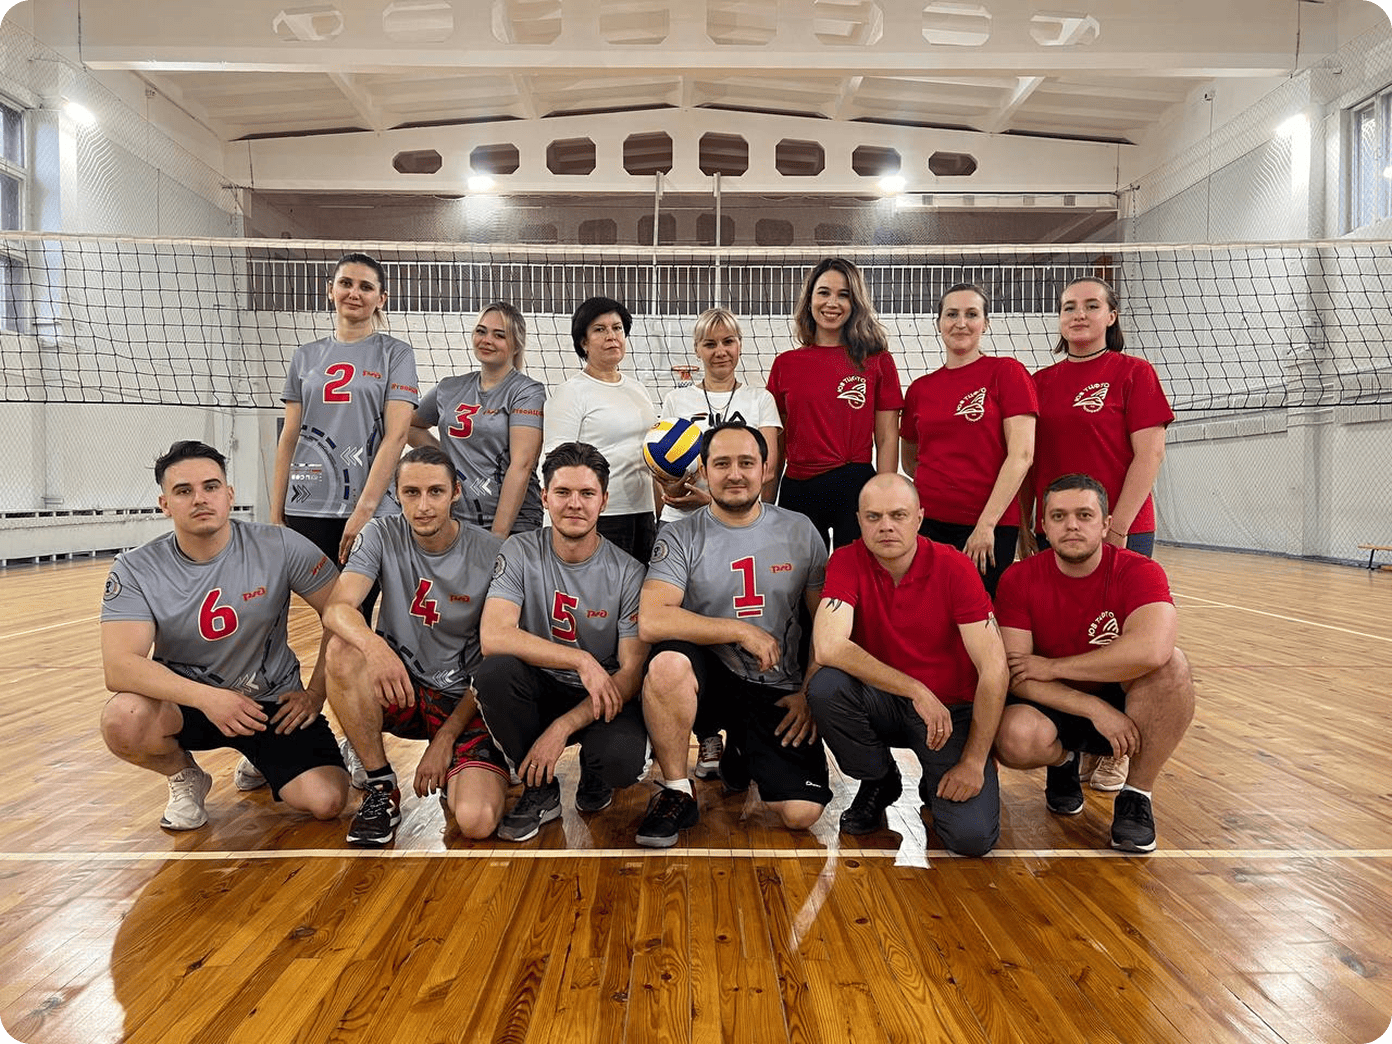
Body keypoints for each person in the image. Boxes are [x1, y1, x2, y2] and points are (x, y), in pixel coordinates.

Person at [100, 440, 349, 831]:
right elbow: (119, 666)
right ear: (165, 504)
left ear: (229, 494)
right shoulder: (136, 568)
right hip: (189, 704)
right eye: (184, 491)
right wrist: (209, 698)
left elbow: (343, 616)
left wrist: (316, 693)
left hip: (272, 704)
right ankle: (184, 775)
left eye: (211, 486)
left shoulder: (280, 545)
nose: (200, 498)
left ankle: (261, 759)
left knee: (328, 801)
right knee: (123, 718)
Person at [636, 421, 830, 848]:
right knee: (667, 664)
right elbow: (650, 620)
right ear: (704, 470)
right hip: (714, 678)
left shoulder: (800, 530)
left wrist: (810, 693)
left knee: (801, 814)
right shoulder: (680, 535)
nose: (735, 474)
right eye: (722, 464)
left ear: (765, 469)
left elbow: (825, 625)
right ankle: (675, 790)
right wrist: (738, 630)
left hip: (776, 684)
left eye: (746, 462)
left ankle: (742, 749)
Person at [1024, 276, 1174, 791]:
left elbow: (1150, 453)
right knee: (1059, 640)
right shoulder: (1040, 382)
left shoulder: (1134, 373)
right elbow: (1028, 462)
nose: (1079, 314)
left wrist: (1118, 528)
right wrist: (1026, 522)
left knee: (1120, 642)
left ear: (1111, 316)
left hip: (1120, 531)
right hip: (1055, 529)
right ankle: (1078, 743)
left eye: (1092, 305)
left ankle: (1119, 750)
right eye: (1069, 307)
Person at [993, 473, 1195, 853]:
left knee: (1173, 667)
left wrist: (1054, 667)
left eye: (1084, 515)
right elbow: (1018, 674)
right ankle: (1064, 761)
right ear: (1044, 526)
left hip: (1122, 701)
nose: (1072, 525)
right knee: (1014, 736)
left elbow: (1153, 650)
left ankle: (1137, 795)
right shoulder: (1019, 579)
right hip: (1054, 702)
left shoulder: (1139, 571)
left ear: (1105, 525)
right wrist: (1093, 707)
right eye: (1059, 516)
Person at [808, 474, 1008, 857]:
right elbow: (828, 647)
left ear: (919, 518)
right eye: (874, 517)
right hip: (884, 702)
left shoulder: (955, 567)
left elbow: (995, 669)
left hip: (948, 713)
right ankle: (879, 779)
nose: (886, 526)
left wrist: (973, 760)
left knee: (970, 839)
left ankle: (938, 777)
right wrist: (915, 689)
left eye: (898, 515)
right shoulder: (847, 560)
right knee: (827, 687)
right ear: (859, 520)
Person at [321, 446, 505, 846]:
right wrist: (375, 648)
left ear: (456, 492)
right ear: (396, 494)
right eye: (411, 492)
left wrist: (444, 741)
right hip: (401, 687)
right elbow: (337, 609)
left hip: (464, 699)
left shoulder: (492, 553)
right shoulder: (380, 534)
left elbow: (497, 662)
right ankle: (380, 785)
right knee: (342, 651)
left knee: (476, 821)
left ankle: (468, 769)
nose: (423, 506)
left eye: (435, 492)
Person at [474, 442, 650, 842]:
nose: (574, 504)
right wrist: (580, 660)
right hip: (542, 685)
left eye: (587, 493)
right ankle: (540, 789)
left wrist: (564, 725)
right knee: (494, 672)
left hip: (601, 695)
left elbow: (630, 673)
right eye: (563, 492)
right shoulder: (519, 550)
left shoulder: (628, 573)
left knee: (622, 761)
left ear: (604, 501)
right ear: (544, 497)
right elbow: (494, 636)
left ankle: (596, 770)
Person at [654, 306, 783, 781]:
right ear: (697, 350)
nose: (720, 351)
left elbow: (767, 471)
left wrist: (711, 498)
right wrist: (672, 490)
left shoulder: (759, 399)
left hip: (740, 529)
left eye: (728, 341)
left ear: (740, 346)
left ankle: (744, 731)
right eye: (710, 343)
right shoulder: (677, 398)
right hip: (683, 527)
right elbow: (663, 472)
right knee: (688, 630)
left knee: (743, 625)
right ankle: (706, 732)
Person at [270, 252, 419, 628]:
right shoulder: (305, 356)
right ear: (330, 290)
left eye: (366, 287)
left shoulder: (396, 354)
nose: (354, 293)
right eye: (346, 283)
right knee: (330, 615)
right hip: (308, 504)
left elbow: (397, 435)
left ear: (381, 299)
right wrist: (275, 514)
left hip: (371, 507)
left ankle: (357, 670)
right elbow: (289, 437)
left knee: (355, 611)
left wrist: (365, 510)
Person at [900, 283, 1036, 597]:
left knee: (977, 612)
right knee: (929, 611)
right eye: (952, 314)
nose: (961, 323)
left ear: (985, 323)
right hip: (927, 524)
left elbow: (1022, 455)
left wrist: (986, 524)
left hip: (987, 525)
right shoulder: (920, 389)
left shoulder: (1007, 373)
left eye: (971, 314)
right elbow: (910, 459)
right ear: (938, 323)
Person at [767, 257, 903, 549]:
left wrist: (885, 496)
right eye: (824, 292)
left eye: (844, 295)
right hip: (799, 487)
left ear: (855, 304)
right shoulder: (785, 364)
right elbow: (777, 443)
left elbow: (887, 437)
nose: (832, 303)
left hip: (854, 485)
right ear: (809, 300)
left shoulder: (877, 361)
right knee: (799, 575)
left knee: (855, 574)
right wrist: (766, 503)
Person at [409, 301, 544, 537]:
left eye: (499, 335)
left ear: (516, 344)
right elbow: (409, 425)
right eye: (481, 331)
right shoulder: (449, 388)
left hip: (515, 522)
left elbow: (522, 465)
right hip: (457, 517)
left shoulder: (527, 392)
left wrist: (497, 536)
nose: (487, 340)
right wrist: (447, 459)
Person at [544, 296, 659, 563]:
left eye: (617, 328)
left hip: (643, 513)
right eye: (600, 329)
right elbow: (556, 463)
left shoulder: (638, 389)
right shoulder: (570, 393)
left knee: (640, 588)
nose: (611, 336)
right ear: (583, 342)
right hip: (599, 516)